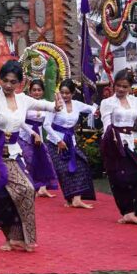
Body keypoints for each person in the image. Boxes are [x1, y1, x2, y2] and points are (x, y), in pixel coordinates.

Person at [0, 60, 55, 252]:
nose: (8, 85)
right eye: (5, 80)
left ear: (19, 83)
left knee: (27, 189)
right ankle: (10, 238)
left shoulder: (23, 100)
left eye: (13, 81)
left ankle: (25, 237)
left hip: (12, 153)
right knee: (1, 197)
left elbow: (43, 104)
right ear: (0, 79)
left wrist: (57, 106)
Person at [99, 69, 137, 225]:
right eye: (118, 85)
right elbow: (106, 122)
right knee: (119, 179)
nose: (121, 89)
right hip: (113, 142)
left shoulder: (134, 101)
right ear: (114, 85)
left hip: (129, 142)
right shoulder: (107, 103)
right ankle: (128, 213)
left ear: (130, 87)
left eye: (125, 86)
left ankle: (136, 209)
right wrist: (110, 135)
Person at [43, 79, 97, 208]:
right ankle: (69, 198)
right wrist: (59, 141)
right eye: (62, 92)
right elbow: (46, 125)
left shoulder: (77, 104)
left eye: (67, 93)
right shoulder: (54, 105)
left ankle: (77, 199)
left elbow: (92, 108)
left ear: (72, 93)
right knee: (63, 171)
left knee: (81, 164)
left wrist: (96, 113)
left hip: (70, 141)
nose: (65, 95)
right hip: (54, 142)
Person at [19, 79, 58, 198]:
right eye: (34, 90)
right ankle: (30, 188)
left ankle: (42, 188)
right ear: (29, 91)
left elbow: (49, 121)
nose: (36, 92)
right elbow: (20, 121)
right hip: (25, 135)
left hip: (39, 135)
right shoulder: (25, 103)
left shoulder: (46, 104)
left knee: (43, 160)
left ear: (43, 91)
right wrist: (31, 133)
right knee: (29, 160)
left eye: (39, 90)